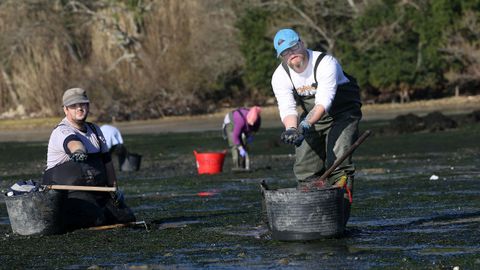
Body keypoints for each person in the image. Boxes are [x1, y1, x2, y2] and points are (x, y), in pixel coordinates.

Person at [271, 29, 362, 222]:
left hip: (343, 113)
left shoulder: (325, 63)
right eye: (286, 52)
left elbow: (323, 102)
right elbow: (287, 108)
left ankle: (339, 218)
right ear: (281, 57)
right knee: (305, 165)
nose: (292, 53)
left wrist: (304, 125)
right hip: (312, 117)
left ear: (302, 43)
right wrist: (292, 129)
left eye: (294, 47)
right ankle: (312, 218)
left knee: (338, 160)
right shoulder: (280, 76)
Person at [42, 87, 135, 231]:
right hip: (70, 194)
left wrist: (114, 189)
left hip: (97, 190)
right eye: (73, 106)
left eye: (82, 104)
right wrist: (79, 151)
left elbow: (107, 161)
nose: (79, 108)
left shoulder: (95, 130)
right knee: (96, 219)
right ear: (66, 109)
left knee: (126, 217)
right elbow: (73, 143)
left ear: (88, 106)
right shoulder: (62, 130)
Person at [222, 106, 261, 170]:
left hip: (243, 125)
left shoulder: (257, 119)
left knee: (245, 144)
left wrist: (250, 136)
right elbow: (235, 136)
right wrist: (240, 148)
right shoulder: (240, 120)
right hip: (231, 122)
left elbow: (255, 129)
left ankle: (244, 165)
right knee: (235, 145)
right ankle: (236, 166)